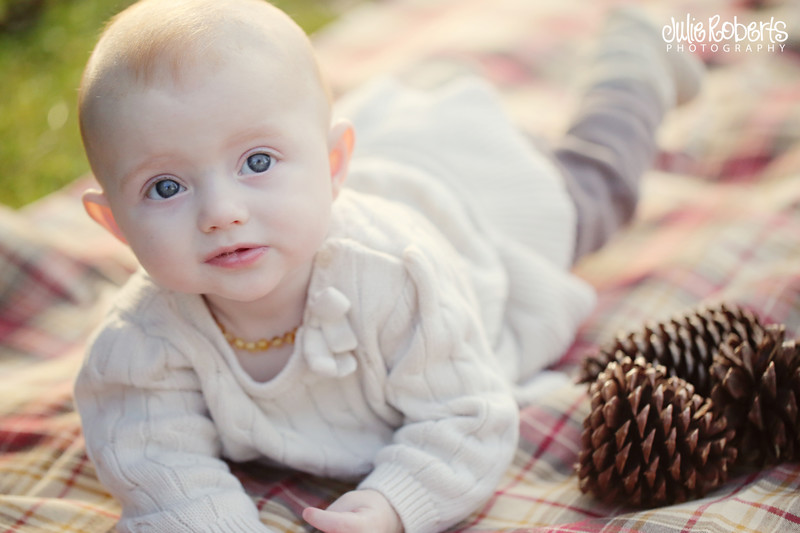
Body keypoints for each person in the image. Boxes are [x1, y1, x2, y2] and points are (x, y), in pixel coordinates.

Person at [73, 0, 703, 532]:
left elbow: (466, 415)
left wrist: (393, 503)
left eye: (257, 162)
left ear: (332, 164)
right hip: (369, 185)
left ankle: (636, 53)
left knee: (596, 190)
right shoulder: (140, 344)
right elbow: (156, 463)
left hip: (472, 216)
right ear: (113, 225)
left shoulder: (398, 277)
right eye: (164, 188)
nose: (221, 211)